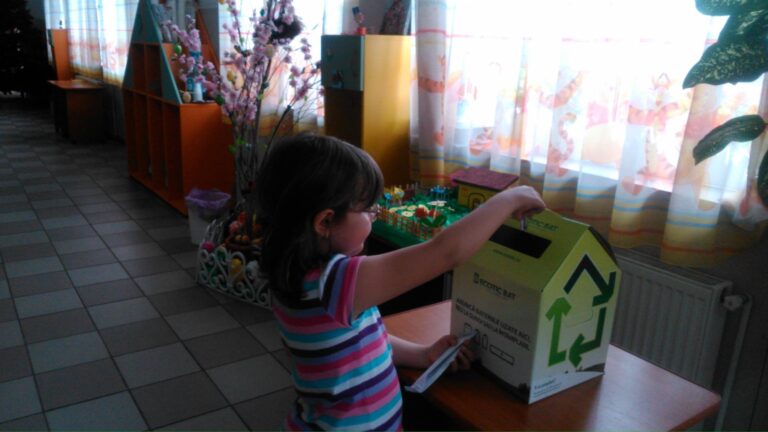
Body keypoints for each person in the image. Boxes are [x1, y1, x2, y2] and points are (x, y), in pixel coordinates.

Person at [255, 134, 546, 431]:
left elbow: (358, 347)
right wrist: (510, 198)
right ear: (325, 222)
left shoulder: (295, 278)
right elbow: (446, 252)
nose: (374, 216)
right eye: (368, 209)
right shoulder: (336, 283)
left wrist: (422, 354)